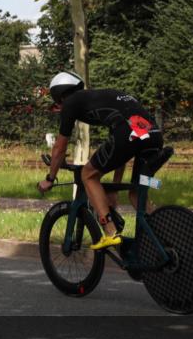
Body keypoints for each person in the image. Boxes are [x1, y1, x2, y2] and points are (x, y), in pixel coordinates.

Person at [37, 71, 163, 250]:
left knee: (88, 175)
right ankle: (165, 236)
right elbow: (122, 152)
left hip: (129, 133)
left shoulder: (71, 102)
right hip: (153, 134)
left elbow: (59, 147)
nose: (59, 107)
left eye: (57, 102)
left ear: (60, 96)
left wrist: (50, 179)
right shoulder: (102, 97)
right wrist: (115, 188)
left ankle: (110, 232)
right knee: (136, 192)